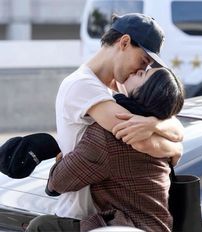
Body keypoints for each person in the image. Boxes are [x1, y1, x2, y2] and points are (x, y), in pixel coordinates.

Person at [27, 13, 184, 231]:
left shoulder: (121, 88)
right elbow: (137, 141)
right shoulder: (82, 85)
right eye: (143, 61)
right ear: (125, 42)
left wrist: (154, 125)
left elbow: (172, 127)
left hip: (109, 218)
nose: (140, 70)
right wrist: (173, 145)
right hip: (82, 214)